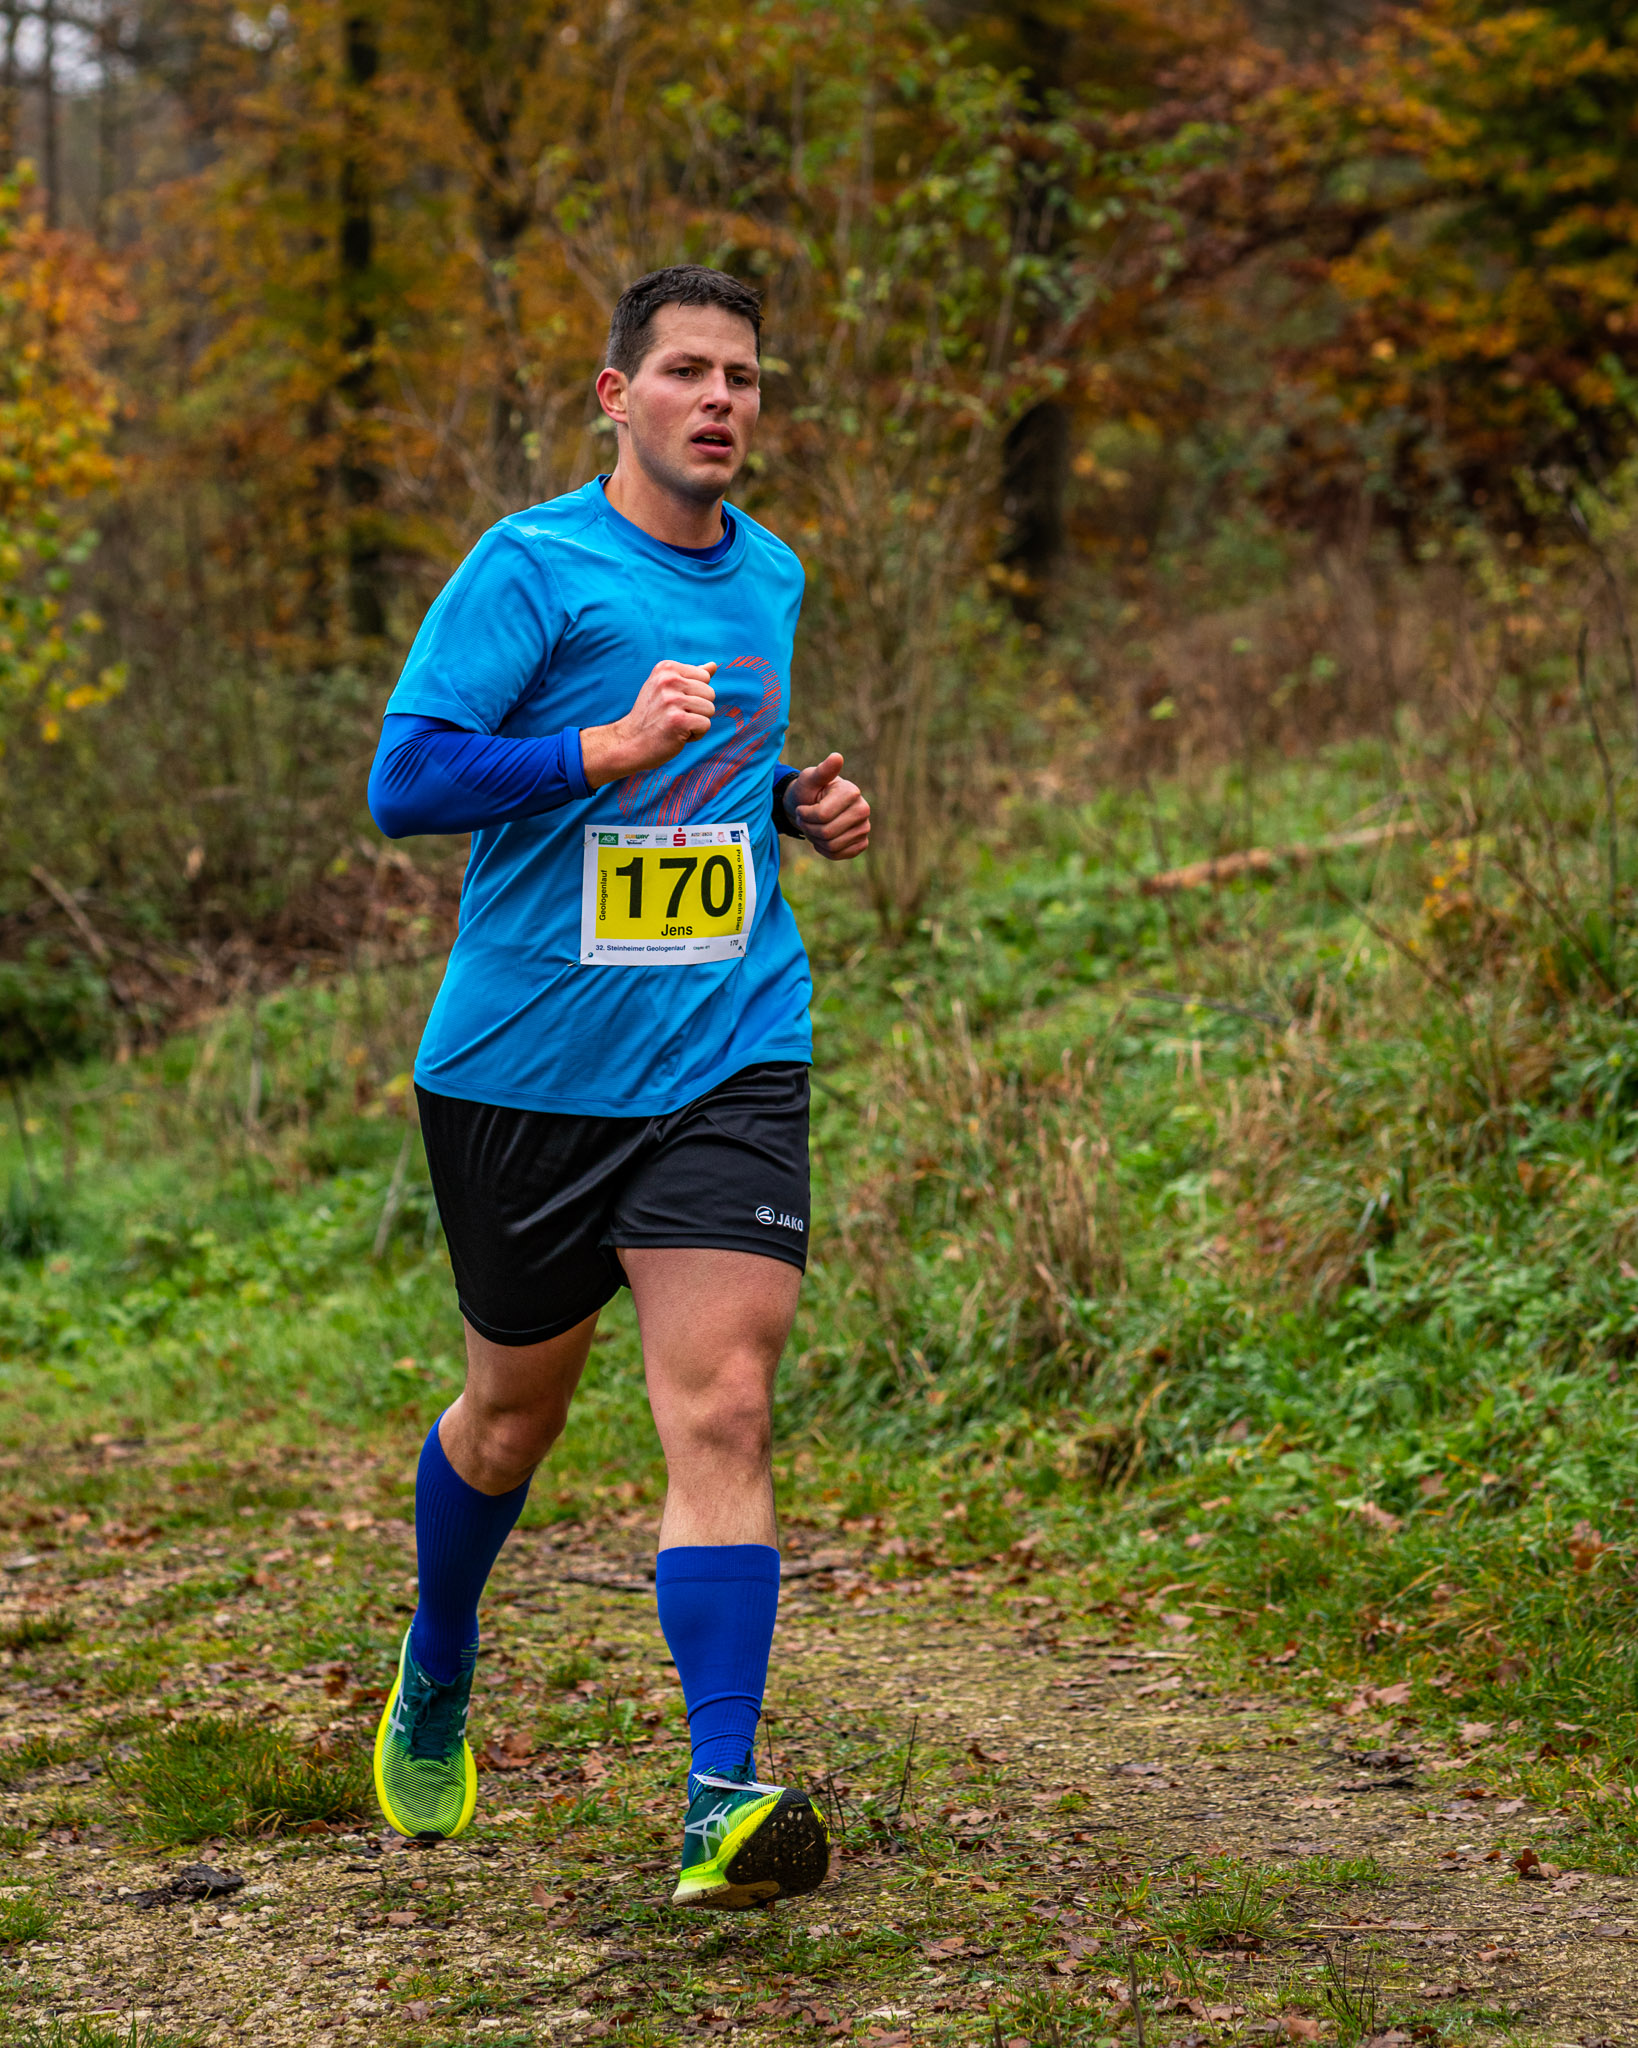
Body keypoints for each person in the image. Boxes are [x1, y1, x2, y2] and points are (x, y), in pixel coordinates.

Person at [363, 265, 871, 1911]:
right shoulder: (530, 566)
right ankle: (441, 1652)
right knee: (510, 1420)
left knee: (723, 1401)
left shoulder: (771, 573)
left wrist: (788, 803)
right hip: (525, 1069)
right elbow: (405, 780)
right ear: (615, 396)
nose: (719, 400)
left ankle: (722, 1794)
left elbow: (712, 773)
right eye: (685, 372)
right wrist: (597, 751)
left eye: (742, 377)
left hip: (728, 1045)